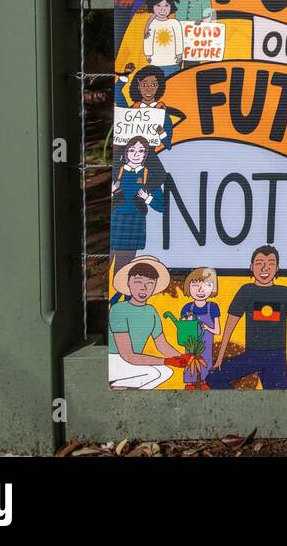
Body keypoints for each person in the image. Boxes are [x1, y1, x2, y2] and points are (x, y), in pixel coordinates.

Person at [206, 246, 287, 390]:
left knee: (279, 400)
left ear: (277, 268)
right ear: (251, 267)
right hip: (252, 354)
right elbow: (230, 324)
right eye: (259, 263)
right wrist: (219, 359)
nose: (265, 268)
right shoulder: (246, 291)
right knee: (213, 377)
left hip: (276, 357)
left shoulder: (284, 293)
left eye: (271, 263)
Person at [108, 255, 181, 389]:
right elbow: (127, 354)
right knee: (153, 374)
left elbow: (162, 345)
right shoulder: (118, 309)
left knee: (166, 372)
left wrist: (183, 358)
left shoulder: (151, 311)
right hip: (115, 359)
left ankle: (122, 388)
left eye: (150, 283)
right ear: (128, 282)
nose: (144, 288)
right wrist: (166, 361)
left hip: (134, 361)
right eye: (138, 282)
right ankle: (118, 387)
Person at [109, 137, 165, 302]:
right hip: (115, 222)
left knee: (123, 272)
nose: (136, 154)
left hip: (134, 225)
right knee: (107, 262)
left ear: (145, 155)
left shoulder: (149, 176)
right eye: (132, 150)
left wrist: (147, 197)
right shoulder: (116, 172)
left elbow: (162, 206)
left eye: (141, 151)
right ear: (126, 152)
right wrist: (112, 192)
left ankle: (119, 304)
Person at [179, 267, 221, 390]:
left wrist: (207, 327)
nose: (201, 289)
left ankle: (205, 381)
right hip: (190, 345)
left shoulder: (212, 307)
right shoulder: (187, 308)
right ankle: (189, 383)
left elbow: (217, 331)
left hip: (206, 345)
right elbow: (182, 328)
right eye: (195, 285)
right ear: (188, 287)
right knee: (189, 361)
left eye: (207, 285)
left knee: (206, 361)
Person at [142, 0, 184, 77]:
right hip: (156, 62)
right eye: (158, 5)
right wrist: (148, 54)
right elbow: (148, 40)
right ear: (152, 7)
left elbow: (179, 39)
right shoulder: (152, 24)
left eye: (166, 5)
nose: (162, 9)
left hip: (172, 62)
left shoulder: (175, 23)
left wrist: (179, 54)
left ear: (171, 6)